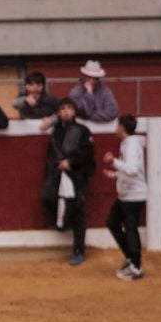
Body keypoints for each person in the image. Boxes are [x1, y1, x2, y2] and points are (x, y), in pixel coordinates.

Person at [43, 98, 95, 265]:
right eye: (63, 109)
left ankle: (79, 251)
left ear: (74, 112)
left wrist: (70, 162)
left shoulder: (83, 131)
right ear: (58, 113)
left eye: (69, 108)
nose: (66, 111)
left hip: (77, 175)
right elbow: (51, 155)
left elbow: (88, 154)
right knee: (48, 197)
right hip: (58, 174)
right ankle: (62, 221)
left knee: (78, 212)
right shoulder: (56, 132)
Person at [104, 113, 147, 280]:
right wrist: (115, 174)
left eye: (117, 126)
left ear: (122, 127)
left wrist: (113, 162)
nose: (116, 129)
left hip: (133, 196)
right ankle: (131, 257)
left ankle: (136, 266)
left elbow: (133, 169)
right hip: (127, 194)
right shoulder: (129, 144)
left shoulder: (131, 145)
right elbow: (131, 169)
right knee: (113, 222)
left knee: (130, 229)